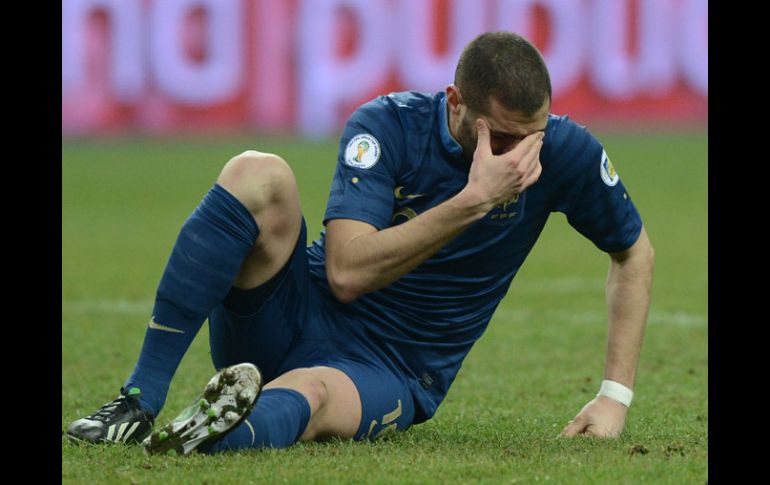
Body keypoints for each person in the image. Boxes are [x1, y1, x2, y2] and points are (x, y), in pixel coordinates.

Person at [66, 31, 654, 454]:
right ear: (456, 103)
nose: (520, 157)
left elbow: (633, 253)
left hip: (392, 367)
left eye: (534, 136)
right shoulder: (387, 126)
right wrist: (472, 201)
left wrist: (613, 396)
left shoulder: (565, 151)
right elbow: (346, 273)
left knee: (314, 393)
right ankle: (138, 401)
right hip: (294, 312)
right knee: (257, 171)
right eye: (500, 138)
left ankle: (207, 435)